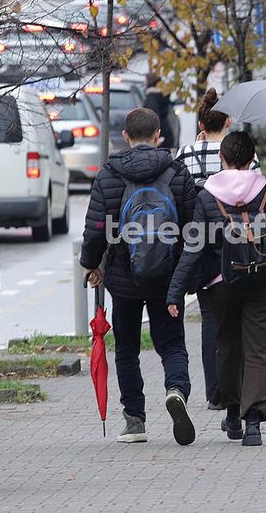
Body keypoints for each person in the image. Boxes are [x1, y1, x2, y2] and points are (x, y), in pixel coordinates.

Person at [166, 131, 266, 446]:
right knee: (259, 351)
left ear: (222, 159)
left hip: (221, 283)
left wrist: (175, 292)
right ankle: (254, 425)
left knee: (226, 348)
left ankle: (233, 413)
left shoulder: (207, 196)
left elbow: (193, 248)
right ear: (252, 159)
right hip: (264, 280)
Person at [81, 107, 200, 445]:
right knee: (173, 343)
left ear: (126, 137)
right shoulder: (178, 172)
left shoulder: (109, 175)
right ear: (159, 134)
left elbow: (96, 230)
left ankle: (135, 421)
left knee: (127, 348)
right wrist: (186, 277)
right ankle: (176, 390)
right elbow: (193, 229)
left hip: (123, 278)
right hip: (167, 280)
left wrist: (93, 264)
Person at [172, 88, 257, 411]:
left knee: (211, 319)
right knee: (239, 319)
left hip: (202, 248)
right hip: (239, 245)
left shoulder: (185, 155)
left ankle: (215, 391)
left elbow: (179, 196)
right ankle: (239, 386)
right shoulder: (244, 153)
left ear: (201, 124)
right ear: (229, 122)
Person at [143, 72, 176, 149]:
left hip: (159, 137)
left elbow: (153, 119)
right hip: (166, 132)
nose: (144, 82)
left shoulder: (152, 98)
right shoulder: (161, 96)